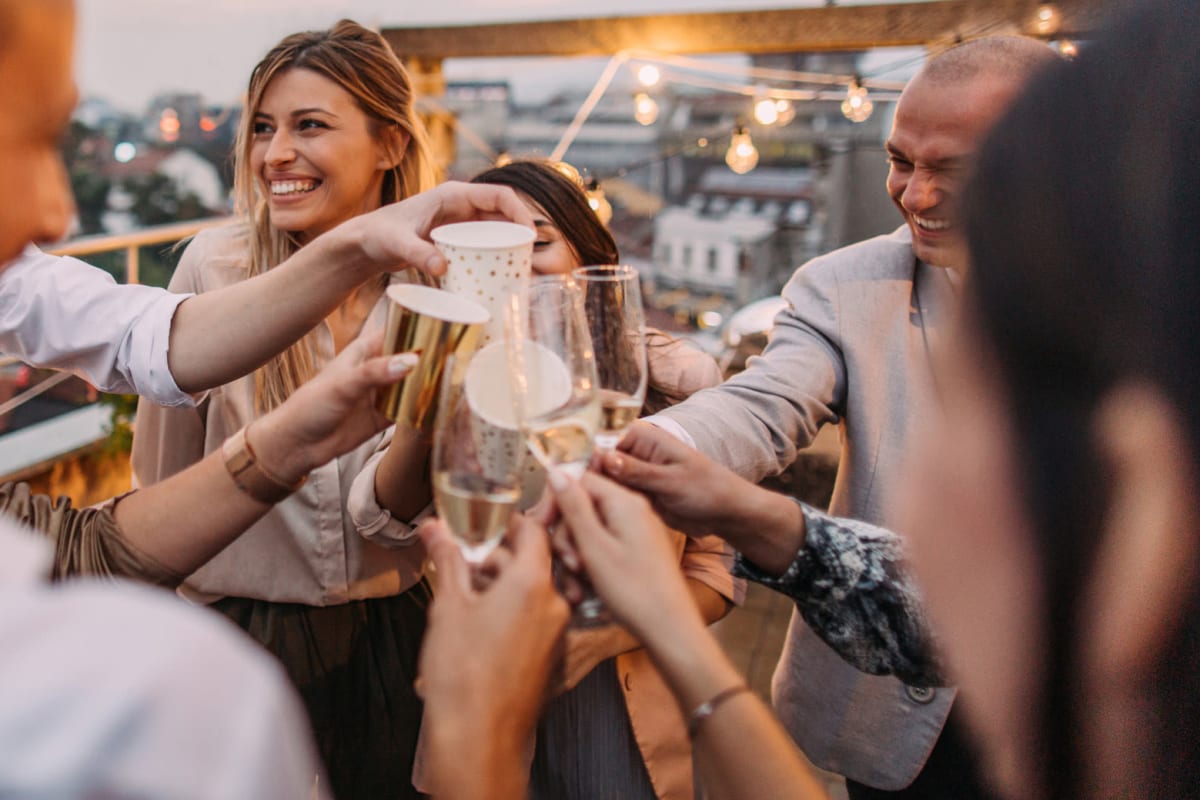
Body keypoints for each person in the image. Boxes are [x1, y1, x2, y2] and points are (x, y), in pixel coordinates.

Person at [649, 37, 1058, 798]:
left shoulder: (1147, 294)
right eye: (901, 161)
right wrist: (663, 440)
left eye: (952, 171)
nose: (914, 196)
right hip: (892, 726)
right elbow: (765, 403)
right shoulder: (845, 284)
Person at [131, 21, 446, 799]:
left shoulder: (441, 286)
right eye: (264, 129)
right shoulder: (216, 268)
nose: (275, 154)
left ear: (390, 146)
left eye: (310, 126)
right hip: (238, 634)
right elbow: (161, 472)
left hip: (396, 631)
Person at [466, 159, 743, 800]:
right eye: (490, 251)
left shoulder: (673, 381)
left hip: (623, 692)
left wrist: (603, 638)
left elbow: (717, 572)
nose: (515, 268)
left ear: (587, 255)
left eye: (537, 243)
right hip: (484, 687)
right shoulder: (450, 381)